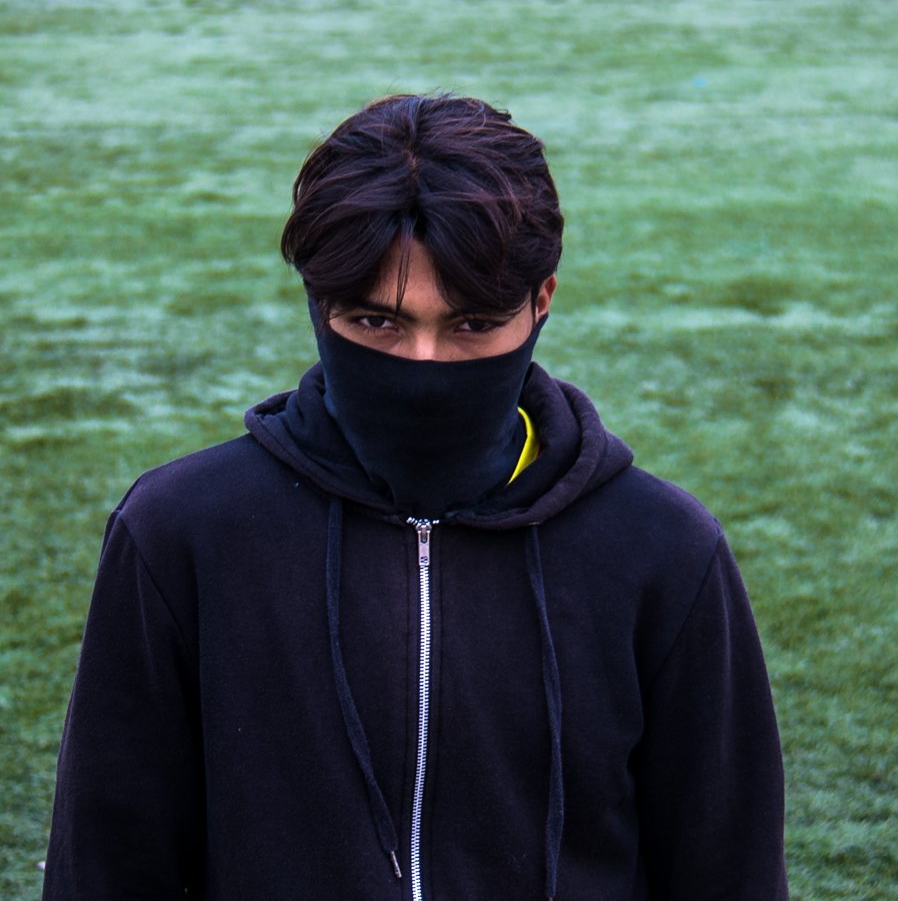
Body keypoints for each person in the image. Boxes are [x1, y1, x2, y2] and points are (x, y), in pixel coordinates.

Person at [42, 93, 788, 900]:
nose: (423, 365)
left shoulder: (662, 549)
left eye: (473, 325)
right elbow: (108, 865)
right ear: (318, 305)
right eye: (377, 323)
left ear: (542, 301)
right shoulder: (182, 532)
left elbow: (728, 869)